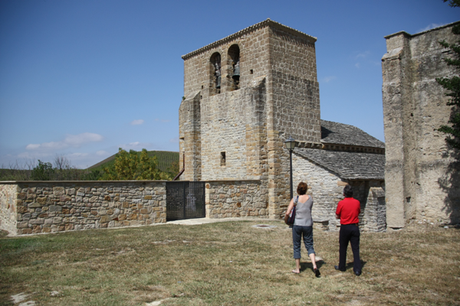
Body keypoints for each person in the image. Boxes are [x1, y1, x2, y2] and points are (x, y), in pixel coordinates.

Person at [285, 182, 320, 277]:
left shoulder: (295, 199)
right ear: (306, 189)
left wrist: (286, 219)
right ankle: (314, 265)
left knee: (297, 245)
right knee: (309, 245)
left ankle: (297, 268)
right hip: (308, 224)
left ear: (298, 189)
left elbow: (288, 212)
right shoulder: (310, 199)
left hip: (297, 224)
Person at [335, 184, 362, 276]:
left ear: (344, 194)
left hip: (345, 226)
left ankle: (342, 266)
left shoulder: (341, 203)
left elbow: (337, 215)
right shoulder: (357, 202)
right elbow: (358, 212)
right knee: (355, 248)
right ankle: (357, 269)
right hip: (354, 226)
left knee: (343, 247)